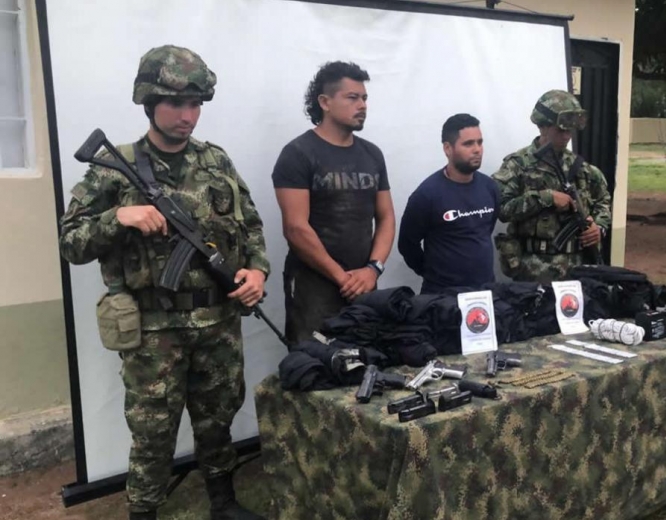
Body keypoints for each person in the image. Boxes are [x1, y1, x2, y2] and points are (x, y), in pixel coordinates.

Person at [59, 46, 267, 520]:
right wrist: (119, 216)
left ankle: (223, 501)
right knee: (153, 431)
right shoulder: (114, 168)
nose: (187, 116)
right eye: (175, 104)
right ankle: (144, 512)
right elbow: (71, 243)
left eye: (195, 105)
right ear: (148, 102)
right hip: (154, 330)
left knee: (218, 419)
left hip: (218, 320)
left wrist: (256, 272)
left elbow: (251, 227)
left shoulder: (216, 161)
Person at [272, 61, 395, 343]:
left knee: (366, 365)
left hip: (364, 283)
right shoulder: (298, 154)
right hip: (314, 288)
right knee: (315, 370)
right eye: (352, 97)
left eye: (364, 98)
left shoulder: (372, 154)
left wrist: (373, 269)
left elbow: (386, 217)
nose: (362, 105)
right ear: (324, 102)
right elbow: (295, 228)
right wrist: (342, 278)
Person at [492, 89, 612, 283]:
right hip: (533, 271)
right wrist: (545, 198)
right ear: (543, 127)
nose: (567, 136)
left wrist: (599, 227)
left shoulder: (583, 169)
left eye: (570, 130)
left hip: (577, 271)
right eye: (561, 129)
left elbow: (603, 201)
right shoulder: (518, 165)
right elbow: (501, 209)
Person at [398, 113, 499, 293]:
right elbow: (407, 245)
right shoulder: (427, 195)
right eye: (468, 144)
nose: (477, 149)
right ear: (447, 148)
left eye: (480, 142)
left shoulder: (489, 187)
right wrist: (434, 275)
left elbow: (485, 230)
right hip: (442, 297)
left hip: (483, 295)